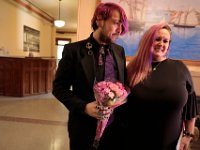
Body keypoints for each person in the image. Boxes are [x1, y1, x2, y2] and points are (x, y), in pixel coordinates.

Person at [52, 2, 128, 150]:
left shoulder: (120, 51)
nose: (119, 30)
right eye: (116, 23)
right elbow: (59, 88)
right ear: (99, 19)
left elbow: (122, 85)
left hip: (114, 130)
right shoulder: (73, 50)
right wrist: (84, 107)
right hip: (83, 129)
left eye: (122, 26)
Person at [119, 23, 198, 150]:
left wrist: (188, 135)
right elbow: (122, 105)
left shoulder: (180, 68)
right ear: (148, 41)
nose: (161, 43)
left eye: (165, 41)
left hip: (170, 143)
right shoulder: (132, 68)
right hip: (134, 141)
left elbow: (191, 105)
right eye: (157, 39)